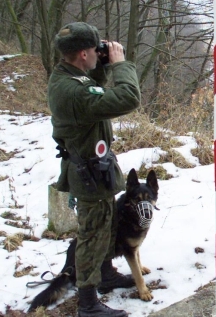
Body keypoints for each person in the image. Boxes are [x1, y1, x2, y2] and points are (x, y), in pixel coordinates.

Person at [48, 22, 141, 317]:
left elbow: (93, 91)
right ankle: (88, 304)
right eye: (94, 50)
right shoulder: (71, 91)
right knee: (92, 235)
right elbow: (128, 98)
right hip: (89, 176)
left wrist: (98, 66)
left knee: (106, 225)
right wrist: (120, 65)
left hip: (94, 169)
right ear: (84, 53)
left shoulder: (70, 76)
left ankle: (106, 274)